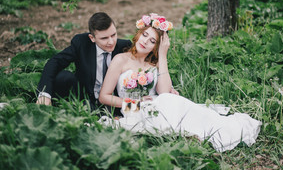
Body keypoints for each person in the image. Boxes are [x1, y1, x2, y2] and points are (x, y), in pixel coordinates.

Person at [99, 13, 261, 152]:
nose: (146, 41)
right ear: (138, 34)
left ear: (156, 47)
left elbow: (163, 91)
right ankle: (202, 132)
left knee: (171, 100)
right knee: (168, 101)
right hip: (134, 109)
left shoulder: (154, 64)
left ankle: (219, 129)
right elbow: (104, 97)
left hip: (156, 104)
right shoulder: (121, 60)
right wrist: (134, 104)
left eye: (153, 41)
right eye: (145, 35)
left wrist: (163, 56)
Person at [36, 12, 132, 113]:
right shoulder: (81, 43)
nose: (111, 42)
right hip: (86, 99)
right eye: (104, 38)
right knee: (63, 76)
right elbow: (55, 62)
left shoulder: (124, 46)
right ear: (92, 38)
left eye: (113, 35)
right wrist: (44, 94)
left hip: (115, 103)